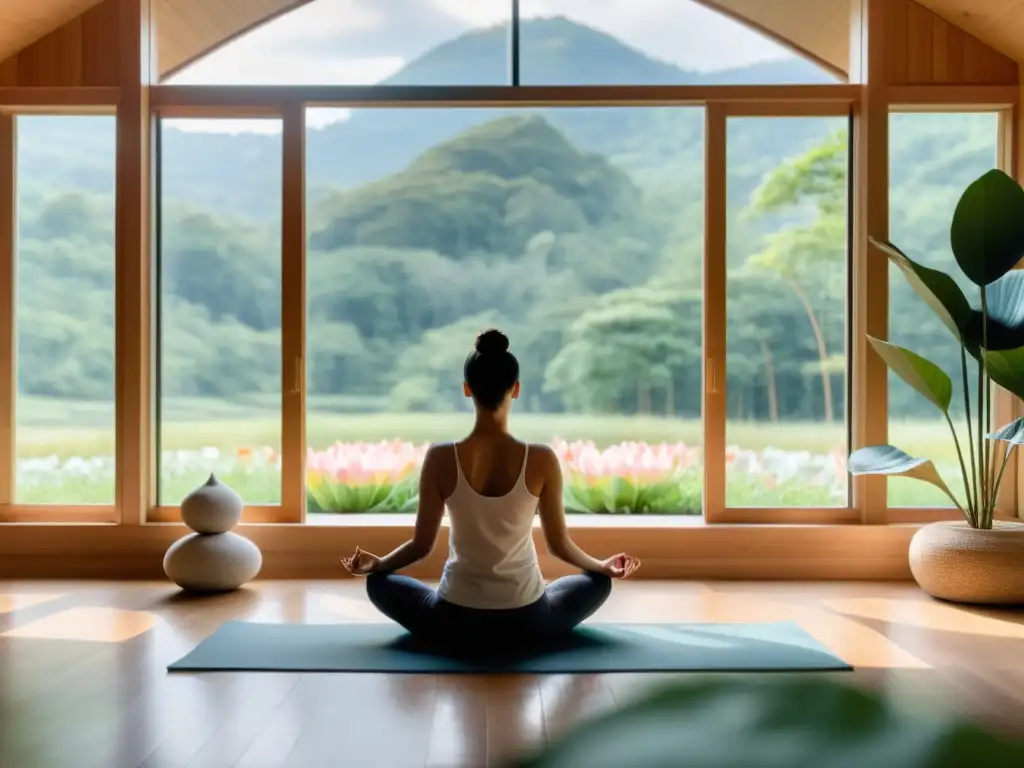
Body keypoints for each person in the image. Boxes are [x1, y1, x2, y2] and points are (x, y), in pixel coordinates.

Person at [341, 328, 640, 650]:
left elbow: (420, 546)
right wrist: (601, 566)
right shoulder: (541, 458)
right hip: (529, 619)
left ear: (467, 389)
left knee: (379, 584)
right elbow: (559, 546)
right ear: (517, 389)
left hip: (453, 618)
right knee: (596, 582)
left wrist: (379, 564)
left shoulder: (441, 457)